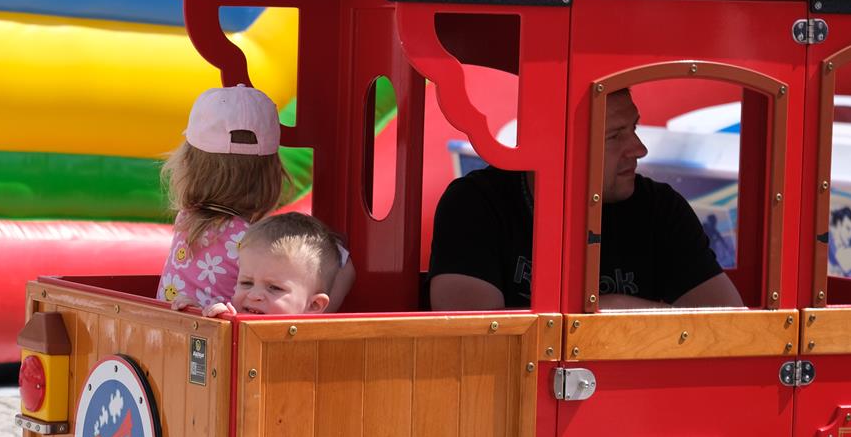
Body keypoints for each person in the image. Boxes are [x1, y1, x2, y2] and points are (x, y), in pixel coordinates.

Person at [428, 88, 743, 310]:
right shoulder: (476, 204)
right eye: (615, 136)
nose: (639, 149)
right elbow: (475, 337)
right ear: (559, 141)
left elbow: (725, 326)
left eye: (633, 128)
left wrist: (613, 309)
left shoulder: (661, 208)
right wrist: (607, 315)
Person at [157, 85, 353, 310]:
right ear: (273, 174)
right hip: (224, 331)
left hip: (168, 327)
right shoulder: (256, 240)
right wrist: (314, 316)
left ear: (188, 165)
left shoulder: (186, 220)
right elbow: (345, 267)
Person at [195, 212, 342, 316]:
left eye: (274, 288)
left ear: (313, 305)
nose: (254, 295)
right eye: (246, 283)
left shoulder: (311, 345)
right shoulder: (232, 318)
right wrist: (222, 326)